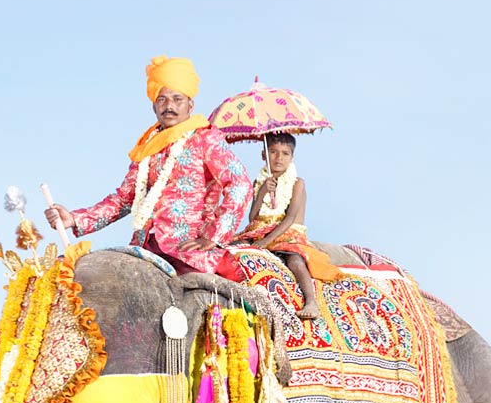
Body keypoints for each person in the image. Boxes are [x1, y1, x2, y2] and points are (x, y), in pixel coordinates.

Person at [44, 56, 252, 281]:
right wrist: (74, 219)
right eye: (162, 99)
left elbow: (240, 185)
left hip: (188, 251)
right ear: (153, 104)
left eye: (177, 99)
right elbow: (124, 199)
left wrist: (212, 235)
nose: (169, 106)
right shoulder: (146, 148)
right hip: (145, 249)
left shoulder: (205, 138)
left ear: (190, 104)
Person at [235, 133, 341, 318]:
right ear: (263, 155)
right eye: (273, 152)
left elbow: (290, 217)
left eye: (285, 153)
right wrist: (262, 192)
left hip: (289, 233)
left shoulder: (297, 184)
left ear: (292, 157)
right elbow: (253, 217)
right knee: (234, 248)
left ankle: (311, 302)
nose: (278, 158)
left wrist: (267, 241)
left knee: (295, 261)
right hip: (261, 229)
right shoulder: (260, 182)